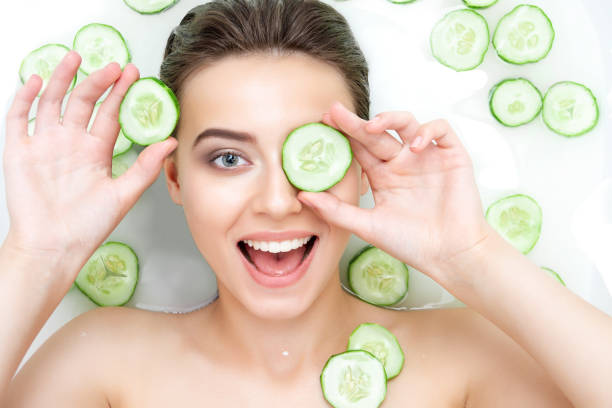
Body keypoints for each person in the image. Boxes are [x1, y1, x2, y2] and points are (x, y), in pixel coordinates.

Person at [1, 0, 611, 406]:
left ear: (362, 168)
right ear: (175, 178)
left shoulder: (466, 358)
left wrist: (473, 257)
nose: (276, 201)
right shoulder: (103, 364)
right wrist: (39, 254)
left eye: (309, 155)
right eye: (228, 158)